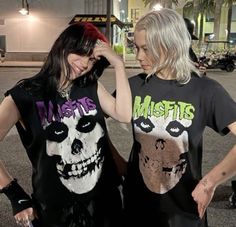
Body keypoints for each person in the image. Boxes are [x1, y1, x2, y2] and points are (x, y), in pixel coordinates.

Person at [0, 22, 132, 227]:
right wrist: (14, 193)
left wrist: (119, 64)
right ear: (64, 45)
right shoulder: (23, 96)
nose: (85, 64)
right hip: (57, 211)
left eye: (92, 59)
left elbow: (124, 114)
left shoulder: (90, 86)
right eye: (81, 53)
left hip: (105, 203)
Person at [122, 8, 236, 227]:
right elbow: (91, 118)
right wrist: (118, 162)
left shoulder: (205, 90)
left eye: (146, 49)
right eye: (136, 48)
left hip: (183, 211)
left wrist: (209, 183)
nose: (138, 56)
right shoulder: (134, 85)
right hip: (137, 207)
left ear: (169, 44)